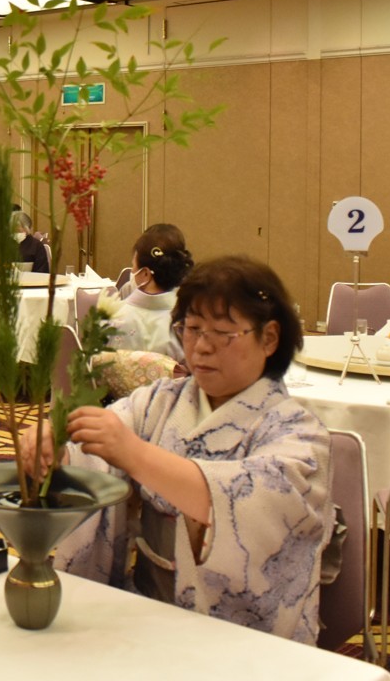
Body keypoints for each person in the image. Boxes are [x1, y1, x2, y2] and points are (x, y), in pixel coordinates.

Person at [32, 256, 330, 644]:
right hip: (145, 613)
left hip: (241, 638)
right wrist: (54, 450)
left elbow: (244, 499)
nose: (201, 348)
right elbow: (94, 449)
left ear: (269, 338)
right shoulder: (161, 401)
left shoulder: (299, 435)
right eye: (191, 329)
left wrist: (135, 454)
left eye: (222, 333)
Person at [99, 224, 194, 397]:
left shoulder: (111, 318)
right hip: (172, 407)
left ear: (145, 274)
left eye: (133, 266)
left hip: (118, 408)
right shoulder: (189, 324)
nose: (131, 271)